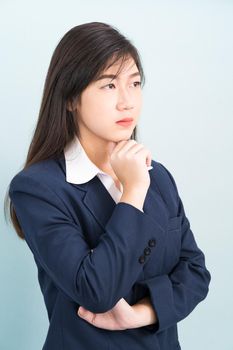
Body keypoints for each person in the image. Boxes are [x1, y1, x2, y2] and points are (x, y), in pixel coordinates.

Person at [5, 22, 211, 350]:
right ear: (71, 98)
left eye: (135, 83)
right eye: (109, 86)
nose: (127, 101)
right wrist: (132, 193)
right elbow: (96, 290)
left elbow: (196, 273)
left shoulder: (157, 176)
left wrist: (142, 313)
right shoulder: (38, 189)